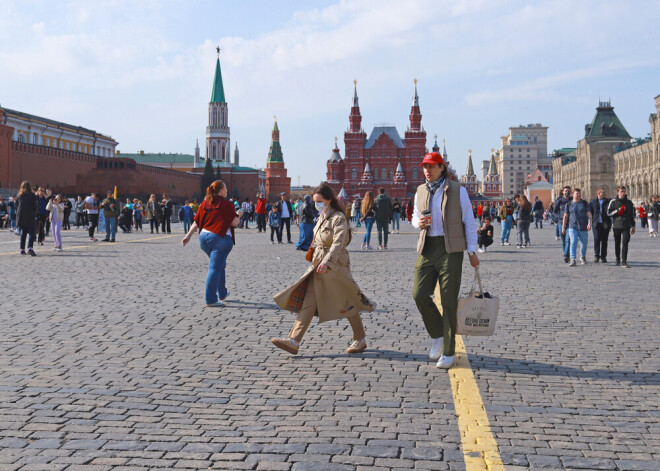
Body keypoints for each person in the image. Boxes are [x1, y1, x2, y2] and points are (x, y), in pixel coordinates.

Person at [272, 184, 375, 355]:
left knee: (347, 300)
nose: (317, 204)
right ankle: (294, 341)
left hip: (335, 266)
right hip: (318, 265)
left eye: (320, 201)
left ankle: (360, 338)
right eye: (315, 202)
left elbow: (338, 242)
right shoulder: (322, 216)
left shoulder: (338, 217)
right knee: (309, 301)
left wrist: (328, 262)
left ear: (329, 200)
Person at [412, 152, 479, 369]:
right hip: (427, 247)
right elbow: (414, 216)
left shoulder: (457, 190)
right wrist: (418, 223)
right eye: (424, 167)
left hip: (451, 249)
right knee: (419, 293)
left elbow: (468, 220)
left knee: (449, 301)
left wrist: (472, 251)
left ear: (442, 167)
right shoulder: (421, 190)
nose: (427, 171)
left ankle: (448, 352)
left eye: (431, 167)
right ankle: (438, 334)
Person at [182, 180, 242, 307]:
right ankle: (211, 299)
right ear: (220, 190)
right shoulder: (227, 204)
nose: (227, 189)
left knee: (220, 264)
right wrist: (239, 215)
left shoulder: (205, 203)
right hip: (219, 239)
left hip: (203, 238)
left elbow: (197, 222)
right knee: (215, 267)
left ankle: (222, 293)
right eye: (225, 187)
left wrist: (188, 236)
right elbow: (234, 223)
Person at [607, 185, 635, 268]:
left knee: (625, 243)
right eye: (621, 191)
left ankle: (624, 261)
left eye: (624, 191)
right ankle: (617, 259)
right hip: (617, 225)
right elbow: (608, 213)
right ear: (617, 192)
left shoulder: (629, 202)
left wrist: (633, 226)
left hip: (626, 225)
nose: (623, 193)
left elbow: (631, 215)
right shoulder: (613, 202)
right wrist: (617, 211)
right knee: (617, 243)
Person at [562, 188, 592, 266]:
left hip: (583, 226)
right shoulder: (569, 204)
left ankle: (582, 256)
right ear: (573, 194)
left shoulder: (585, 203)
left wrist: (589, 223)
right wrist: (563, 227)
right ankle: (573, 259)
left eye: (579, 193)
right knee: (573, 242)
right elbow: (565, 216)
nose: (578, 194)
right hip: (572, 226)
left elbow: (589, 215)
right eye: (577, 193)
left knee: (584, 243)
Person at [16, 181, 38, 256]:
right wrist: (34, 213)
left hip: (21, 217)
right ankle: (30, 248)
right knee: (32, 232)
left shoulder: (19, 195)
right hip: (30, 215)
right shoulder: (32, 195)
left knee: (23, 233)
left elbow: (16, 206)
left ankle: (22, 249)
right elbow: (35, 206)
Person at [590, 188, 611, 263]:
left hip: (605, 223)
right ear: (598, 193)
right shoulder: (593, 202)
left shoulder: (608, 201)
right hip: (596, 223)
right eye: (603, 192)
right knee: (596, 239)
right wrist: (589, 222)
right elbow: (590, 213)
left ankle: (603, 256)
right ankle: (596, 255)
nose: (605, 193)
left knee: (604, 240)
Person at [554, 186, 572, 262]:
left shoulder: (572, 200)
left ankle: (566, 255)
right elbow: (555, 211)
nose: (567, 192)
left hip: (571, 222)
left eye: (568, 191)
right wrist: (559, 217)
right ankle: (566, 253)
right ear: (563, 192)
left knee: (568, 239)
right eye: (565, 191)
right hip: (561, 222)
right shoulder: (559, 201)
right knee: (563, 240)